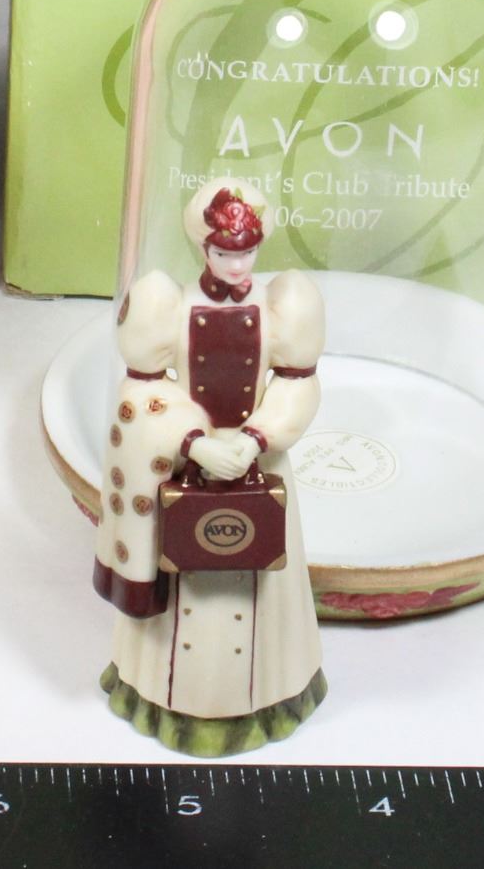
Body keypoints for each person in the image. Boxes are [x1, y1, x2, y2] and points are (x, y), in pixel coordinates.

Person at [93, 178, 326, 754]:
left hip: (259, 462)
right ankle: (164, 698)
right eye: (225, 252)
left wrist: (256, 437)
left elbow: (298, 385)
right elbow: (141, 391)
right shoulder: (167, 309)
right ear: (204, 248)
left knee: (262, 577)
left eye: (247, 252)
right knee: (185, 577)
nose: (237, 264)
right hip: (186, 462)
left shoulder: (282, 310)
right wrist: (193, 442)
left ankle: (268, 698)